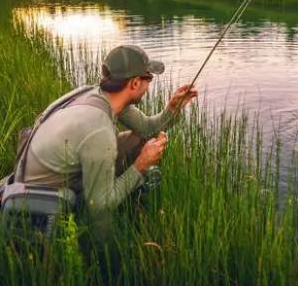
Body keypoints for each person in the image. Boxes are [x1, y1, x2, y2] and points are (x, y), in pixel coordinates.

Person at [16, 44, 197, 234]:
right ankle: (102, 251)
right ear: (134, 83)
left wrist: (173, 108)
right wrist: (141, 165)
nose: (149, 85)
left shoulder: (100, 95)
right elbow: (99, 205)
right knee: (103, 211)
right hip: (44, 198)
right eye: (148, 78)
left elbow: (147, 129)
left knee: (138, 140)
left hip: (53, 171)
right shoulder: (99, 129)